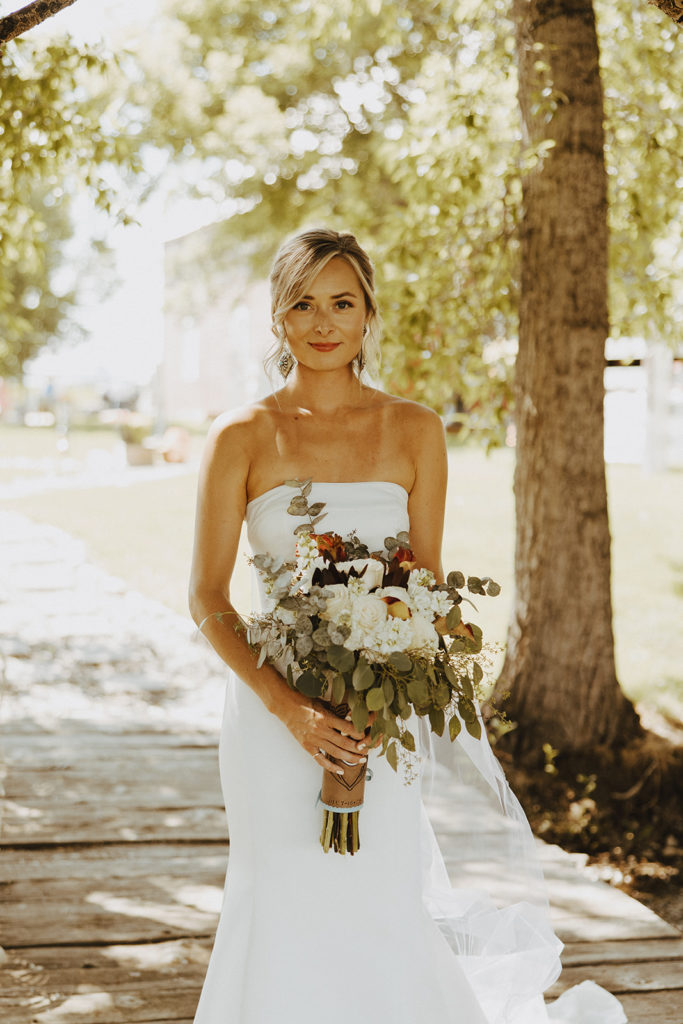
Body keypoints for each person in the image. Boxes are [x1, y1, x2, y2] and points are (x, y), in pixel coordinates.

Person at [188, 228, 626, 1024]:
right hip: (269, 715)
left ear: (367, 315)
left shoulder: (415, 429)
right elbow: (208, 596)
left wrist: (409, 662)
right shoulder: (241, 436)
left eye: (342, 302)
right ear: (278, 319)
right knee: (278, 887)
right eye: (303, 304)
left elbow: (421, 579)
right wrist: (285, 705)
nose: (323, 322)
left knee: (377, 886)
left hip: (382, 713)